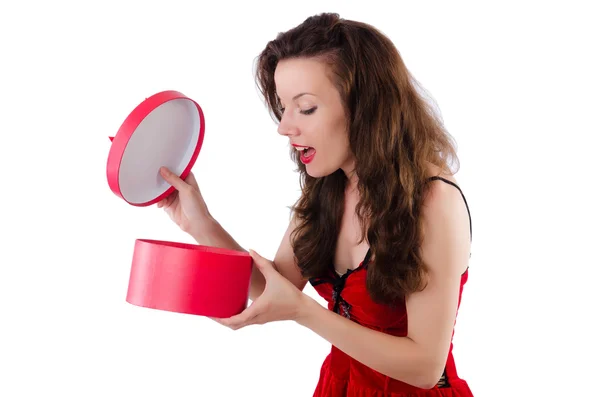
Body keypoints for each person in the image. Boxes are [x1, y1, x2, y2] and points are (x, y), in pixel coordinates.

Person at [157, 12, 474, 397]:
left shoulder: (434, 200)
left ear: (365, 107)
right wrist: (200, 223)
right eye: (283, 107)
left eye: (305, 108)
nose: (284, 127)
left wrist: (305, 312)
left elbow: (425, 367)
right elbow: (275, 287)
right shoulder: (327, 188)